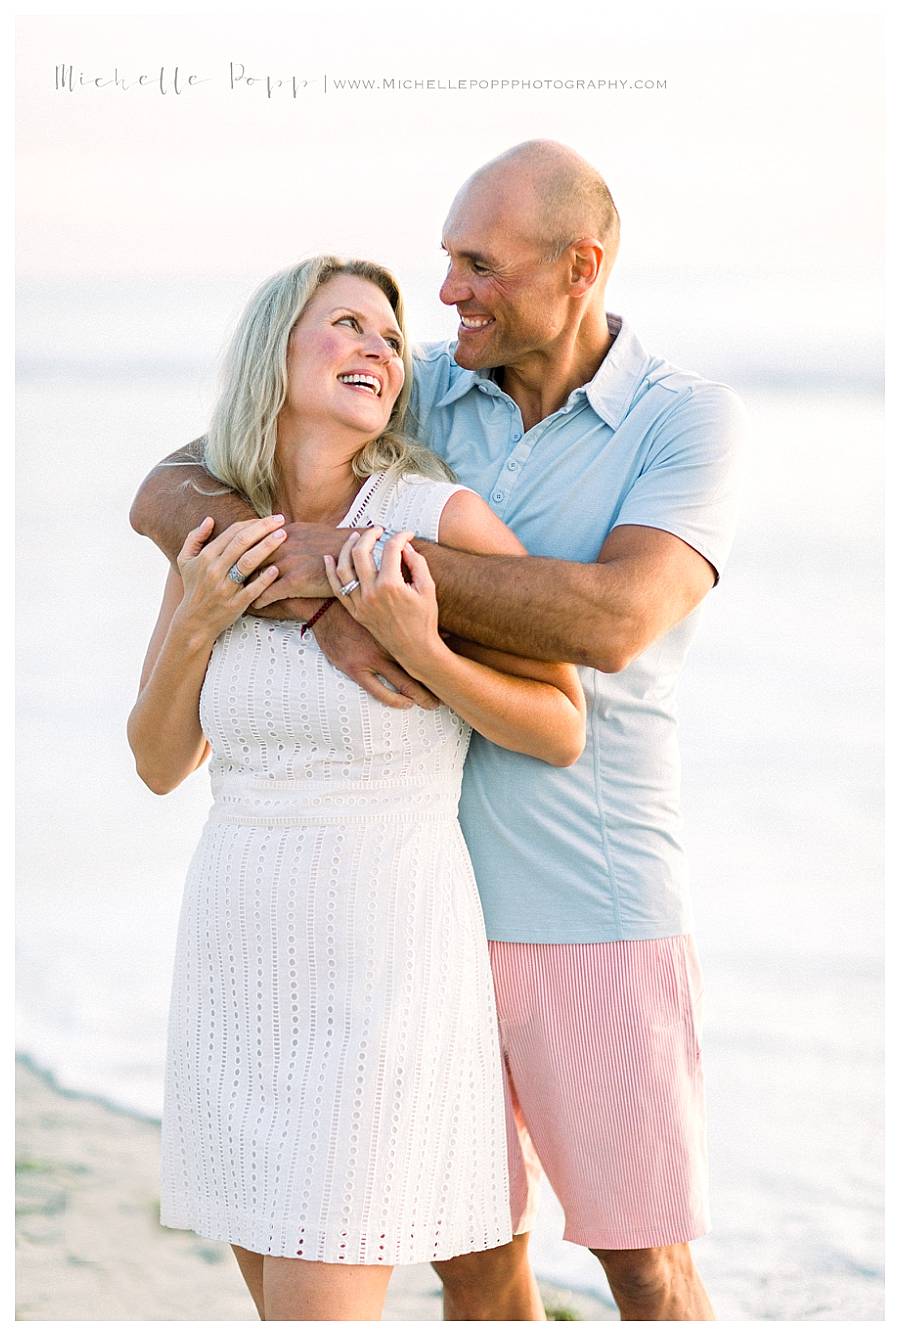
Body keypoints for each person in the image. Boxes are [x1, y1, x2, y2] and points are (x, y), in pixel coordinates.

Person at [130, 141, 747, 1322]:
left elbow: (613, 623)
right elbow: (175, 480)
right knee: (473, 1259)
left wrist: (371, 592)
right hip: (408, 906)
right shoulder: (418, 380)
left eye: (478, 264)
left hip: (586, 903)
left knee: (645, 1265)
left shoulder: (684, 424)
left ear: (582, 267)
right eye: (445, 265)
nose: (449, 291)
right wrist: (299, 595)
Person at [126, 254, 586, 1322]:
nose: (380, 346)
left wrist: (420, 645)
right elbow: (157, 762)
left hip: (383, 971)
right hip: (236, 967)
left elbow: (560, 725)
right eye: (346, 325)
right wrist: (200, 613)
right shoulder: (213, 535)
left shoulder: (438, 519)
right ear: (271, 355)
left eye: (389, 334)